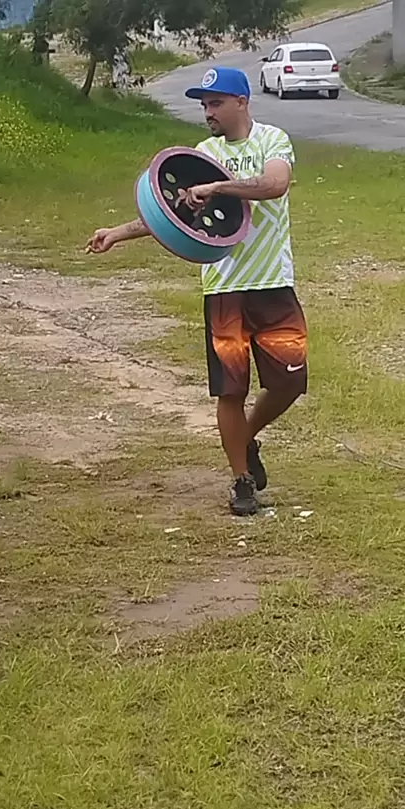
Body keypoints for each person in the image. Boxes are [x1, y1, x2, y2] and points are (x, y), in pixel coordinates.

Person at [88, 66, 308, 517]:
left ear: (242, 102)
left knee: (290, 381)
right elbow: (169, 215)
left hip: (272, 284)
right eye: (205, 105)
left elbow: (275, 185)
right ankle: (242, 481)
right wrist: (118, 232)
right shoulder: (202, 155)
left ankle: (244, 438)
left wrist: (218, 186)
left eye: (216, 103)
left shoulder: (272, 141)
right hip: (224, 289)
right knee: (231, 390)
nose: (208, 112)